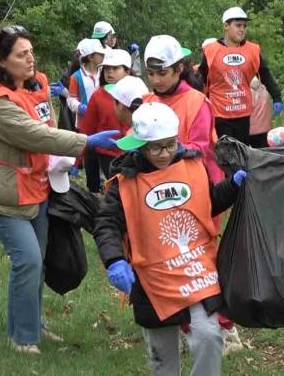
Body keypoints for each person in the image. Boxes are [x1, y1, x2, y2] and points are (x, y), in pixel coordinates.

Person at [0, 25, 120, 354]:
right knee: (29, 260)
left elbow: (46, 126)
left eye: (31, 51)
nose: (31, 58)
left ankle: (32, 323)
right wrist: (86, 142)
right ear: (2, 61)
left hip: (37, 187)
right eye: (22, 54)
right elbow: (37, 135)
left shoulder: (38, 85)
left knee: (38, 261)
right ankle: (23, 339)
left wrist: (61, 163)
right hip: (0, 195)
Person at [93, 102, 245, 375]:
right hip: (153, 278)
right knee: (163, 358)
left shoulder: (192, 166)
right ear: (140, 145)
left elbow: (207, 203)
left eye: (170, 145)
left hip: (196, 268)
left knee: (209, 336)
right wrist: (114, 260)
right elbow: (106, 222)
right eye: (155, 147)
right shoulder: (124, 181)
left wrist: (232, 186)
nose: (164, 153)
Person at [143, 35, 223, 185]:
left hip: (195, 180)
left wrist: (161, 151)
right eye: (150, 74)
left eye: (162, 73)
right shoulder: (146, 101)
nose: (155, 80)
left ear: (178, 69)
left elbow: (199, 149)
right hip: (160, 180)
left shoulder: (197, 102)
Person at [199, 6, 283, 145]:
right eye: (238, 25)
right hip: (220, 113)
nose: (242, 29)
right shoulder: (211, 50)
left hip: (243, 113)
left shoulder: (252, 50)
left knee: (242, 152)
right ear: (226, 26)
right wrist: (198, 104)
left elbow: (265, 74)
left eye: (244, 25)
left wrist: (277, 96)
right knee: (227, 154)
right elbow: (201, 79)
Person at [78, 49, 133, 193]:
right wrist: (78, 158)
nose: (109, 72)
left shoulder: (138, 92)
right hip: (108, 155)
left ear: (127, 71)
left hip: (133, 153)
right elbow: (87, 128)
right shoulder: (98, 96)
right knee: (115, 191)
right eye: (107, 68)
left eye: (115, 68)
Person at [67, 38, 105, 128]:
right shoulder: (76, 77)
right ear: (90, 57)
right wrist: (80, 107)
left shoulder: (104, 73)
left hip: (103, 121)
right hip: (84, 124)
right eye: (99, 54)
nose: (103, 55)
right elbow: (71, 100)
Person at [249, 77, 272, 148]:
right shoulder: (264, 87)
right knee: (264, 154)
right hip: (265, 128)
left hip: (249, 130)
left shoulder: (245, 90)